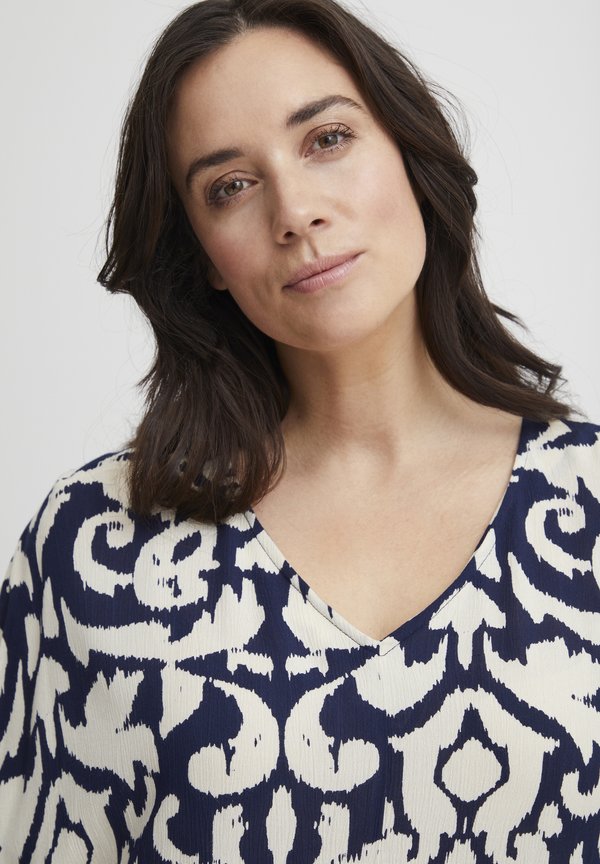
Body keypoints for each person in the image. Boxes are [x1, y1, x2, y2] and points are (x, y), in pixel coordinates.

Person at [1, 0, 598, 861]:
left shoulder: (589, 504)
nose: (295, 211)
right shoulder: (93, 552)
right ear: (203, 255)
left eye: (327, 139)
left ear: (409, 150)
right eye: (230, 186)